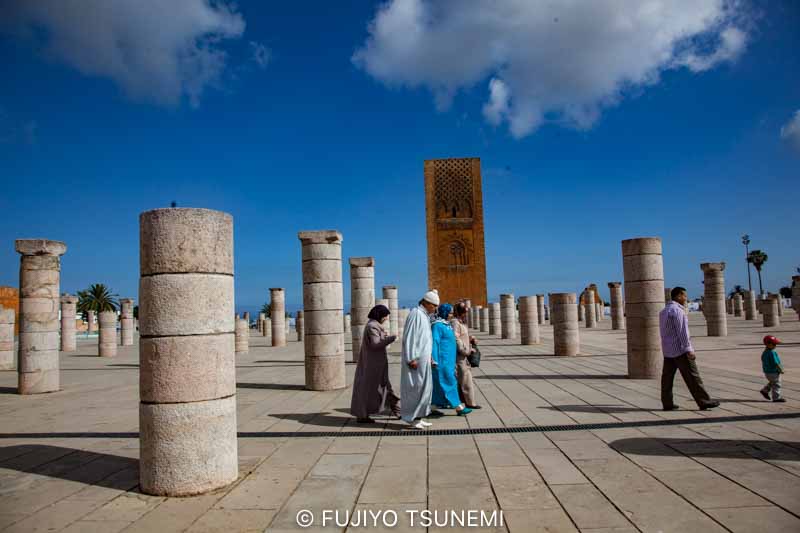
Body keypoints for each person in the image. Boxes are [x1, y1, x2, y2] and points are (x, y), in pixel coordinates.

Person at [659, 286, 720, 411]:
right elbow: (682, 332)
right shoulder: (677, 311)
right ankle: (704, 401)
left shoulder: (664, 311)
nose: (686, 299)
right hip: (680, 350)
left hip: (668, 350)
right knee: (693, 376)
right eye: (684, 296)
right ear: (679, 296)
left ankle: (667, 403)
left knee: (667, 379)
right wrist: (688, 349)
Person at [350, 304, 400, 423]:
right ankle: (399, 411)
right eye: (386, 316)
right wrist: (392, 338)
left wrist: (384, 336)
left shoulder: (373, 325)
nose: (386, 318)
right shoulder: (373, 326)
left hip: (375, 363)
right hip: (374, 365)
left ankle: (364, 415)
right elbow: (376, 344)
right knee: (382, 388)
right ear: (380, 315)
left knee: (381, 388)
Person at [400, 290, 439, 429]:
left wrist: (430, 358)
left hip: (424, 361)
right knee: (414, 390)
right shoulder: (416, 314)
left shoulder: (424, 316)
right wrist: (411, 358)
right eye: (434, 306)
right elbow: (410, 338)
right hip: (415, 362)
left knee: (424, 389)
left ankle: (419, 417)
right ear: (427, 303)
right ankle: (412, 418)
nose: (435, 309)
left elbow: (425, 340)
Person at [431, 303, 472, 416]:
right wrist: (434, 359)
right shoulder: (437, 325)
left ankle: (432, 407)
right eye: (449, 312)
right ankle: (458, 407)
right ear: (444, 312)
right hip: (442, 360)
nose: (451, 314)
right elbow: (435, 342)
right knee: (450, 382)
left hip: (449, 360)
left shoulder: (446, 324)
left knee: (440, 384)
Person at [451, 302, 480, 409]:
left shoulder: (461, 322)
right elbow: (456, 338)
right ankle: (470, 403)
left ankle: (461, 401)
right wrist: (465, 350)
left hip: (463, 355)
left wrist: (470, 339)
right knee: (466, 379)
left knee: (462, 379)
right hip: (460, 356)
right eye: (464, 311)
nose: (466, 314)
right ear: (459, 312)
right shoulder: (455, 323)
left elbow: (462, 336)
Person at [760, 335, 786, 402]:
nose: (775, 345)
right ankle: (776, 398)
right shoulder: (772, 352)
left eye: (775, 344)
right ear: (768, 344)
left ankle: (765, 390)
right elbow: (776, 363)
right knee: (777, 384)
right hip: (773, 372)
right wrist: (781, 369)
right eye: (773, 344)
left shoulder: (765, 352)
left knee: (773, 382)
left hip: (767, 372)